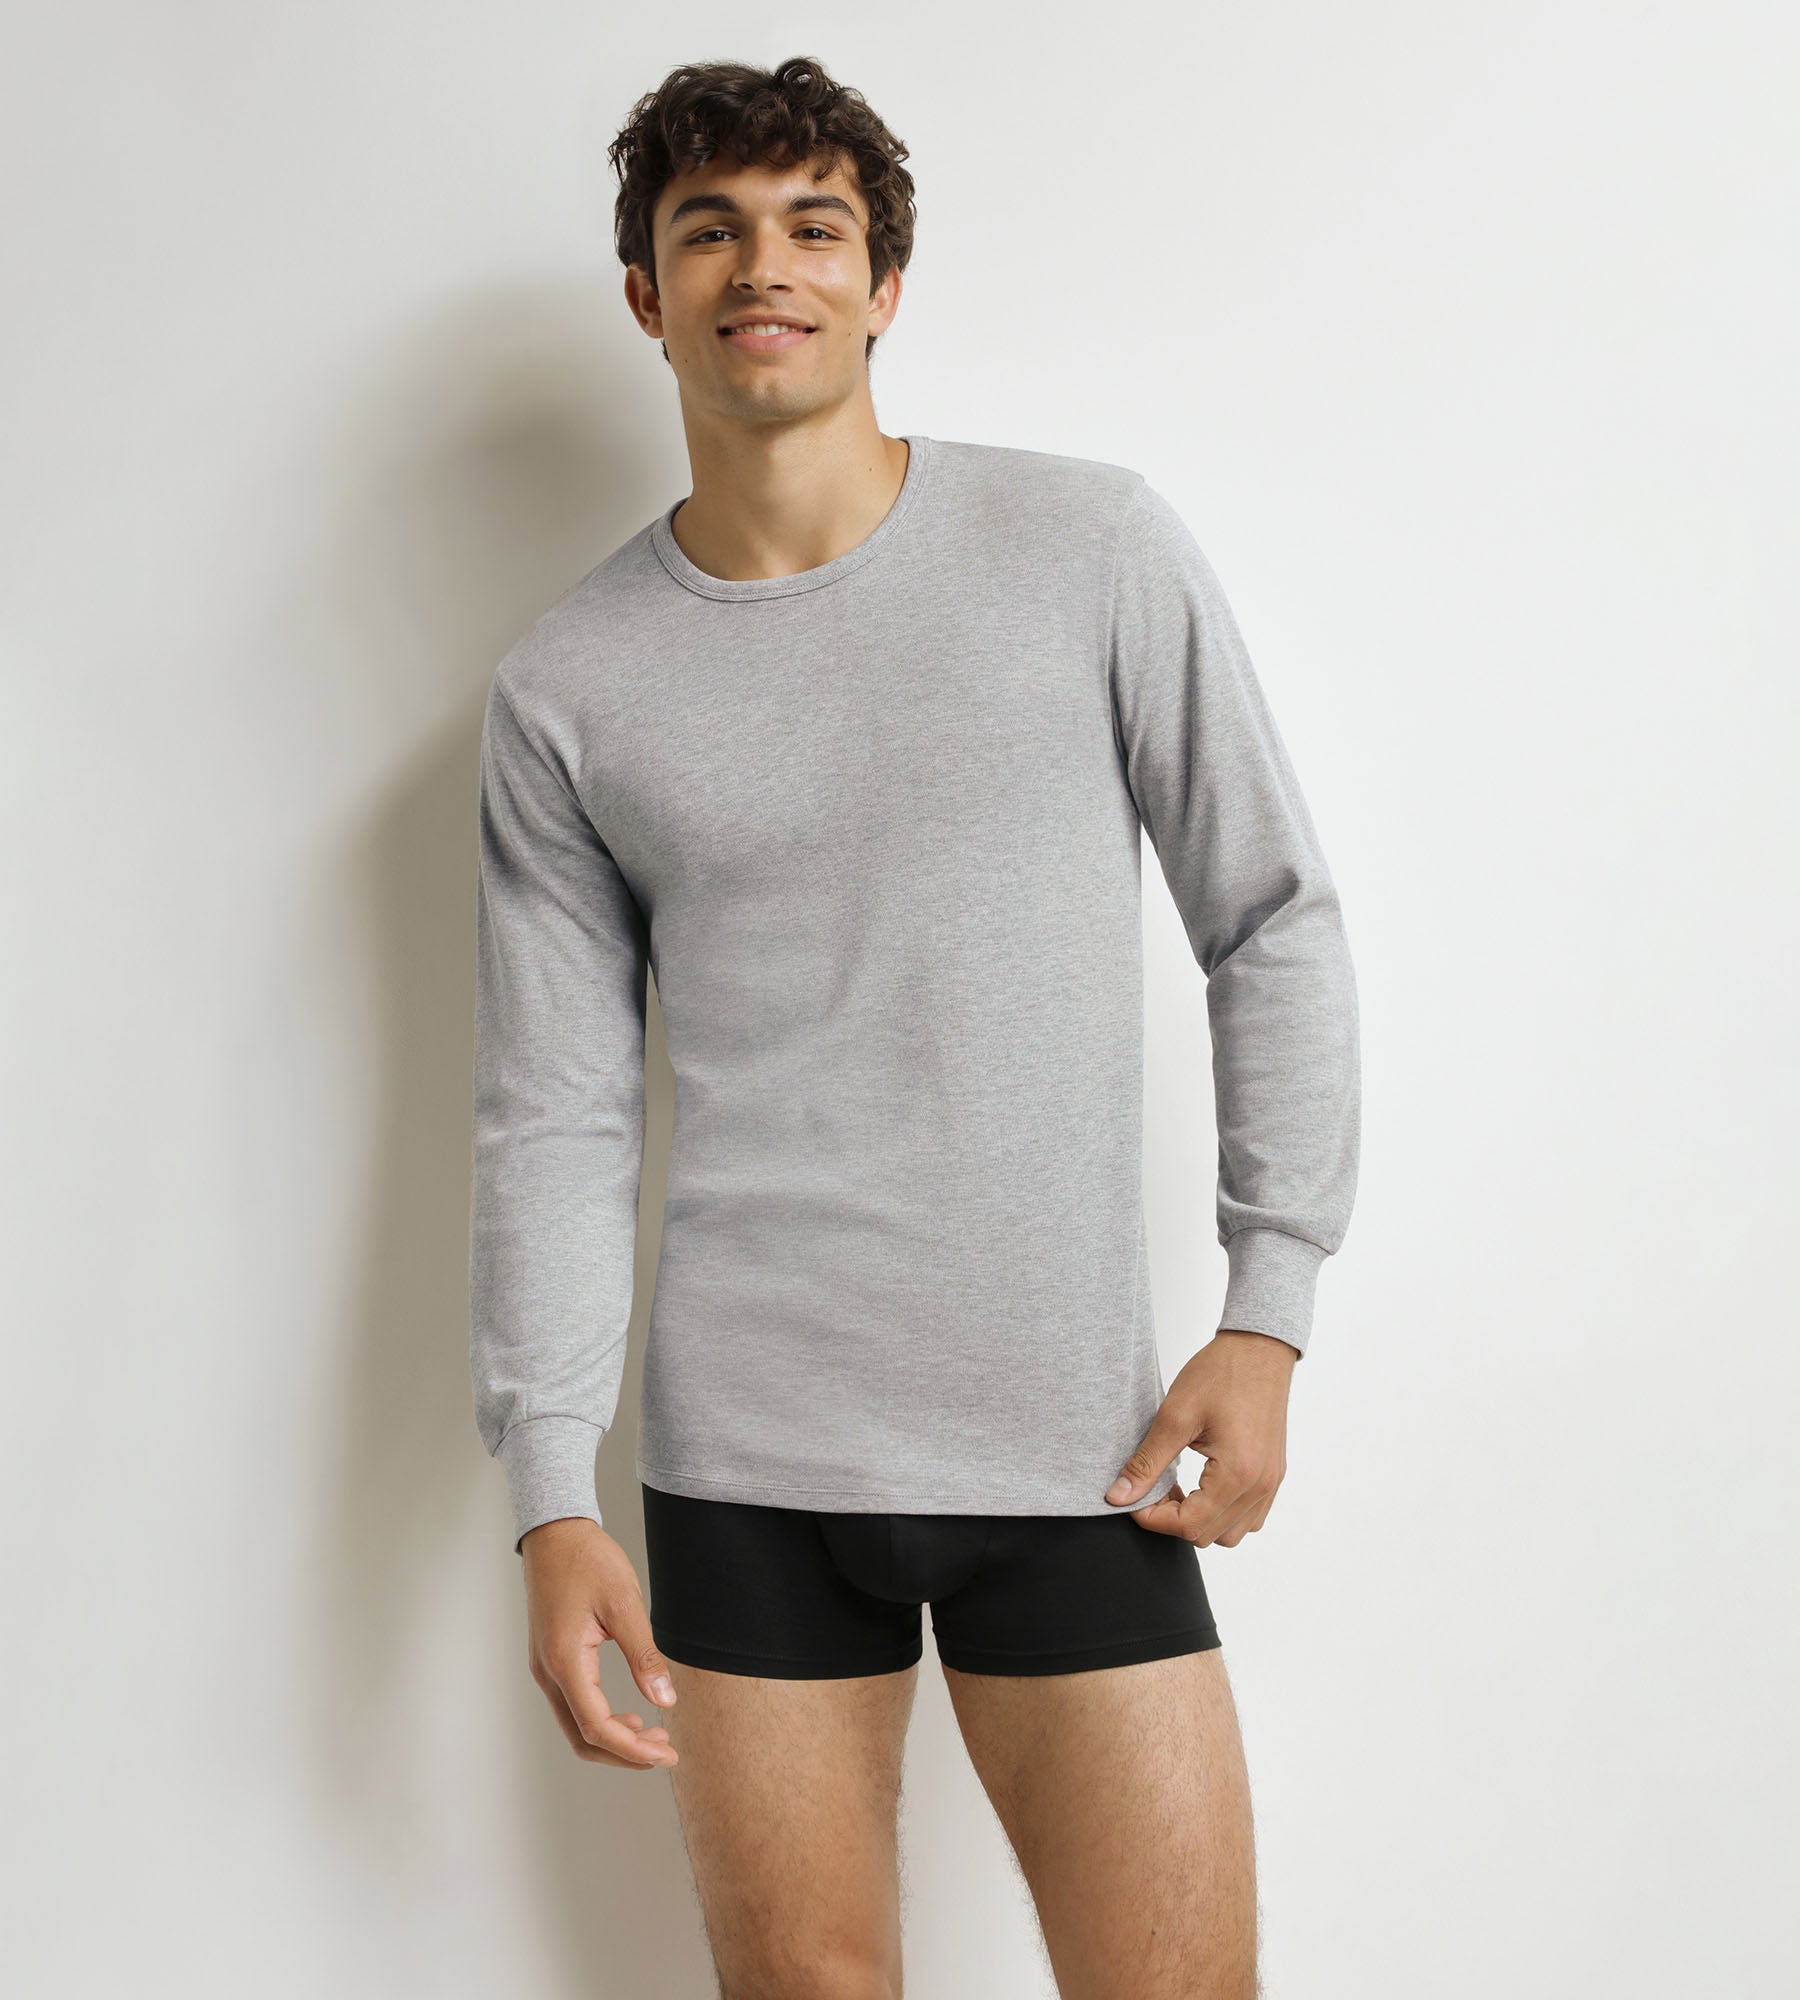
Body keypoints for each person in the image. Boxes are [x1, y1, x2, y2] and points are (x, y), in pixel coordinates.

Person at [468, 53, 1361, 2000]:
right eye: (709, 231)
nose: (761, 267)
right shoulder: (569, 687)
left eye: (815, 227)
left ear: (883, 285)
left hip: (1081, 1447)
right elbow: (556, 1111)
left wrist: (1270, 1302)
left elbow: (1270, 918)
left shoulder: (1091, 549)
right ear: (645, 294)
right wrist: (549, 1487)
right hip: (747, 1471)